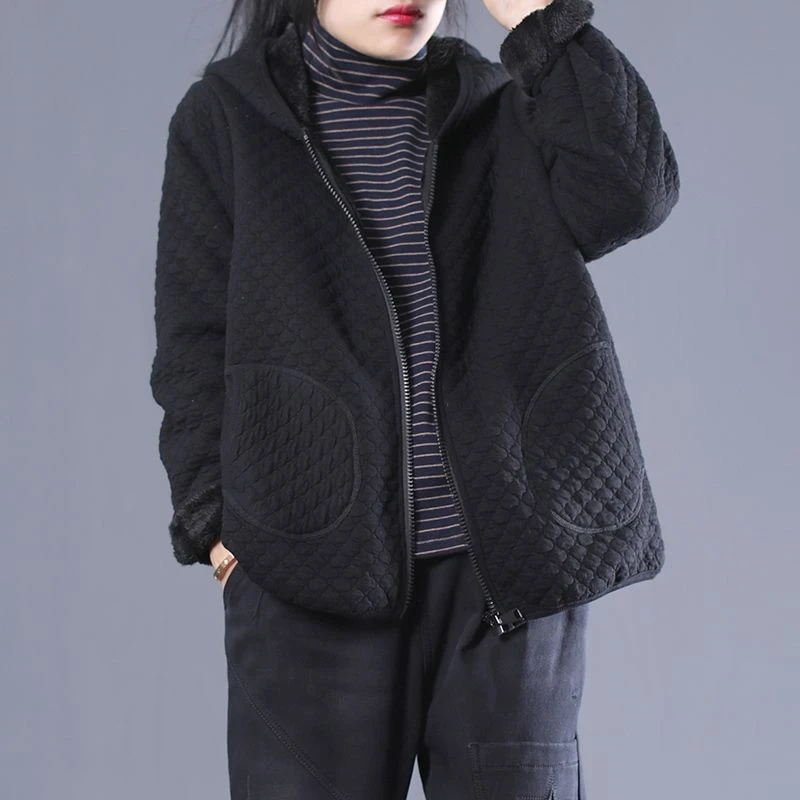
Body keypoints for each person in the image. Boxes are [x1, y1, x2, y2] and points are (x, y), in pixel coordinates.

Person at [149, 0, 680, 797]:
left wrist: (543, 22)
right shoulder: (226, 117)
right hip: (309, 571)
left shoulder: (503, 102)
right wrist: (215, 530)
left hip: (506, 576)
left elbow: (630, 195)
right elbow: (194, 341)